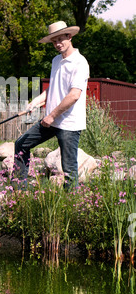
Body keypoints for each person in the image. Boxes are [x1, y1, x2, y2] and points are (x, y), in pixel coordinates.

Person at [14, 21, 90, 191]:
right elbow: (53, 88)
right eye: (54, 41)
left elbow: (74, 95)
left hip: (68, 123)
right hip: (51, 121)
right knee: (21, 144)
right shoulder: (56, 60)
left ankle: (71, 206)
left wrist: (51, 116)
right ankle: (18, 190)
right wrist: (34, 102)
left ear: (69, 37)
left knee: (69, 168)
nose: (57, 44)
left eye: (60, 39)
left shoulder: (79, 62)